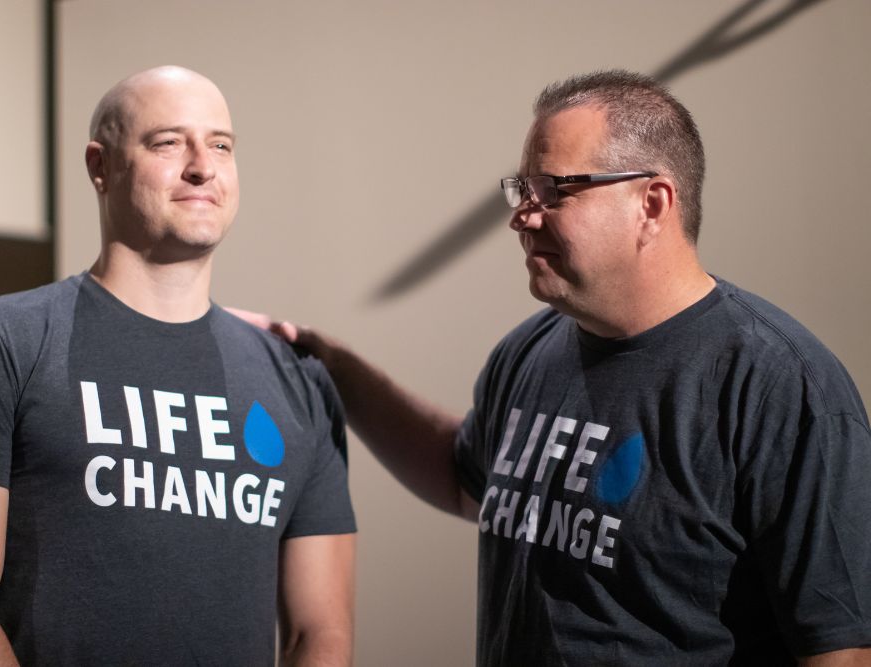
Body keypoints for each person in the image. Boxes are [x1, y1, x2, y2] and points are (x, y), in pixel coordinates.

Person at [241, 70, 871, 664]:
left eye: (555, 190)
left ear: (652, 203)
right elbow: (466, 480)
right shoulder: (530, 350)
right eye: (522, 189)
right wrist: (330, 362)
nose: (522, 215)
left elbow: (839, 643)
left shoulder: (779, 385)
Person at [0, 66, 356, 666]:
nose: (202, 166)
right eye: (167, 142)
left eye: (221, 145)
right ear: (99, 166)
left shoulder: (299, 382)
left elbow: (320, 634)